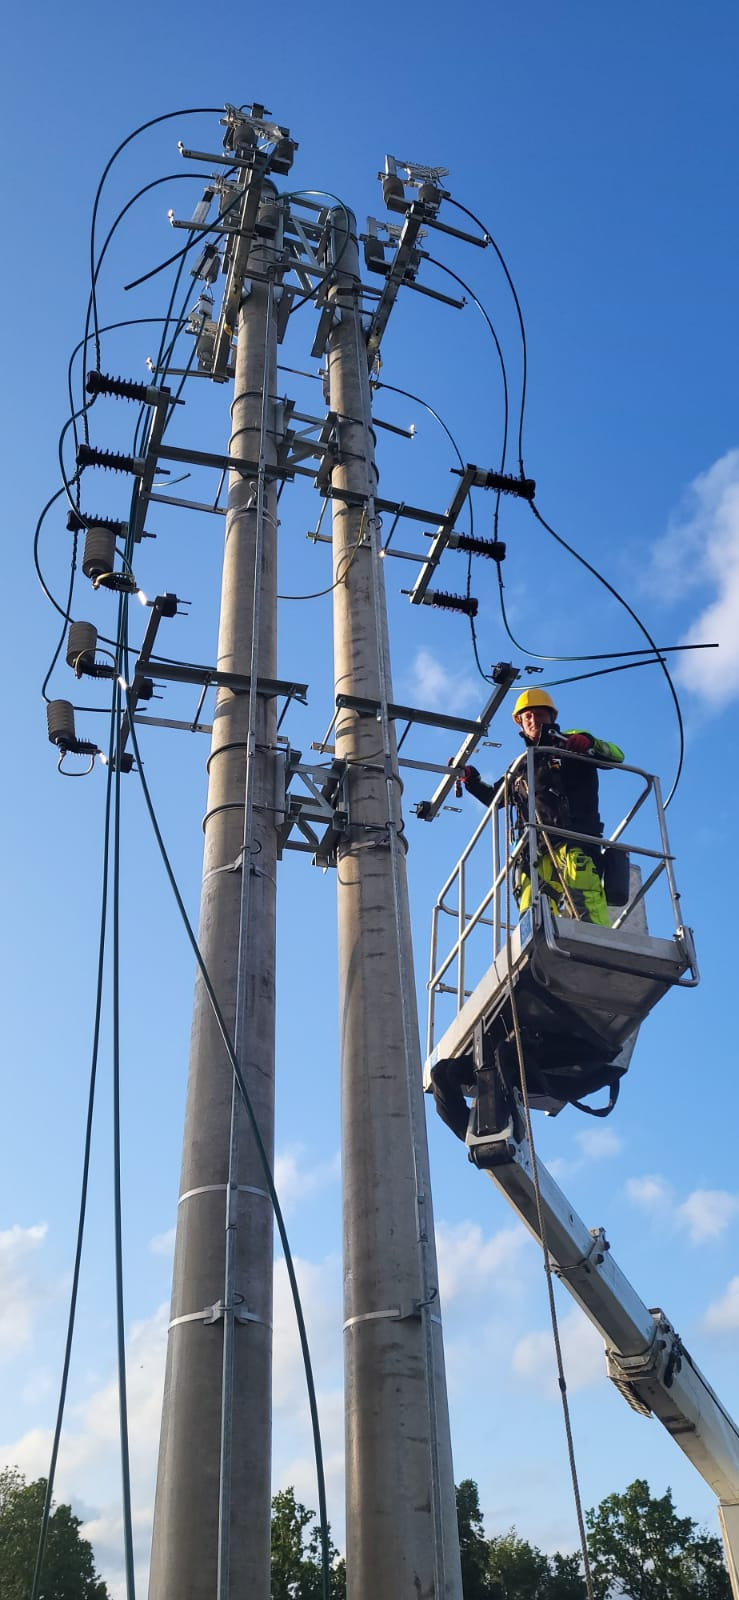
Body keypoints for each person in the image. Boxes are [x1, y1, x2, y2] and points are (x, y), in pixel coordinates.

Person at [461, 688, 623, 927]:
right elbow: (495, 799)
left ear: (551, 718)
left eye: (539, 714)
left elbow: (616, 757)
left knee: (584, 897)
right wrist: (471, 780)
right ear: (520, 724)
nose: (533, 720)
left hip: (574, 840)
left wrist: (589, 744)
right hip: (535, 851)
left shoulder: (571, 742)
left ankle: (600, 945)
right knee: (532, 907)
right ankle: (536, 953)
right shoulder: (521, 766)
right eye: (527, 716)